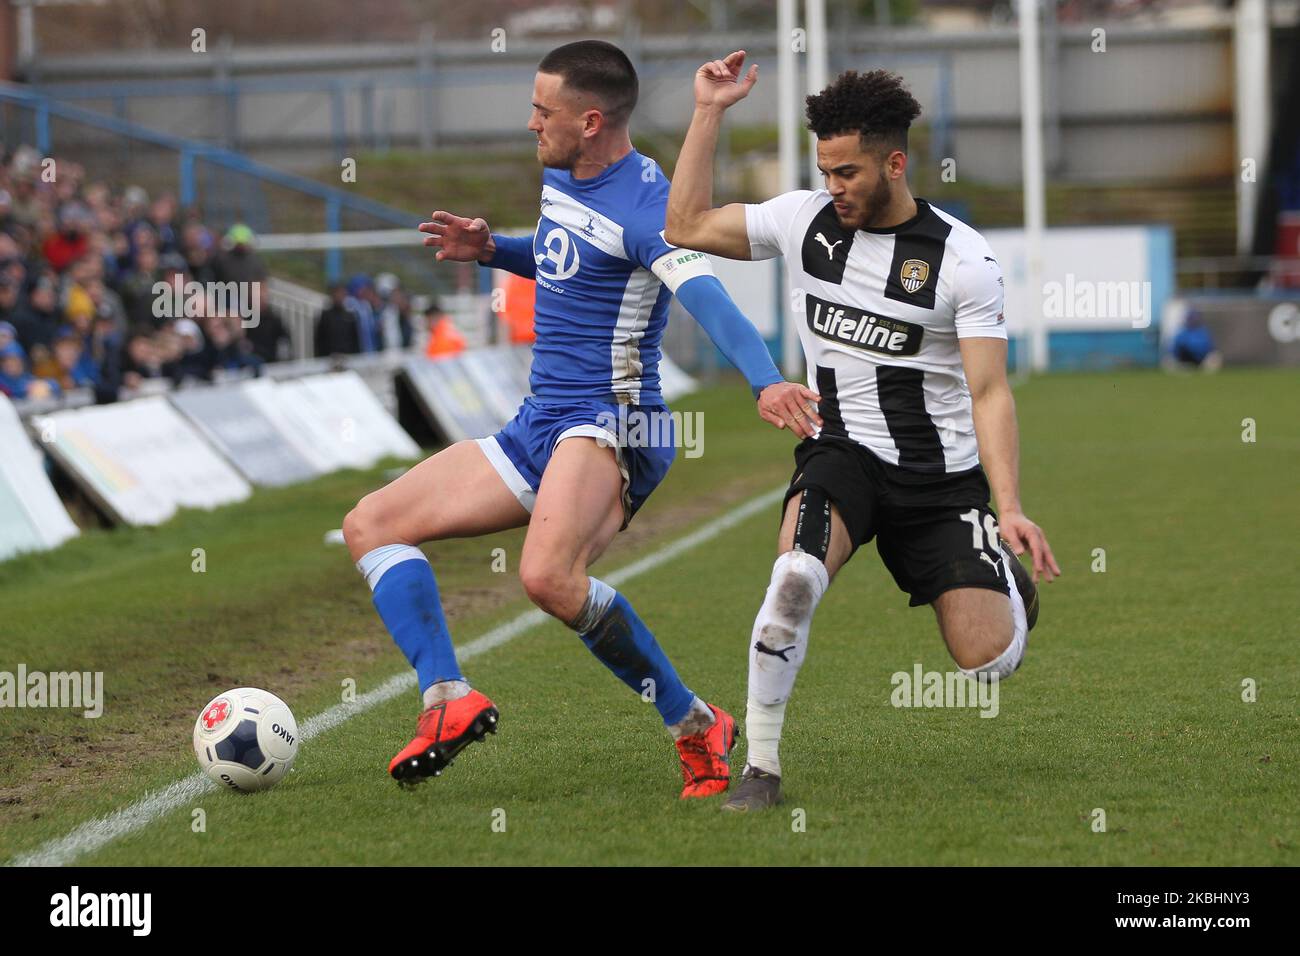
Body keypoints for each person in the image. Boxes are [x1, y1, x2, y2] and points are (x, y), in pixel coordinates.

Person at [342, 40, 817, 798]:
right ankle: (447, 699)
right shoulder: (566, 174)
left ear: (590, 121)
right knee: (370, 524)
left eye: (543, 112)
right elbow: (568, 257)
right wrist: (494, 249)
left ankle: (694, 726)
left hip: (616, 423)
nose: (531, 124)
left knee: (545, 577)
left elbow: (709, 298)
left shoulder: (646, 209)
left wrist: (764, 382)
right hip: (540, 422)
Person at [665, 56, 1061, 811]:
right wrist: (709, 111)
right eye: (826, 170)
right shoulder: (801, 218)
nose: (834, 186)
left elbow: (989, 391)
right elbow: (683, 225)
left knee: (989, 660)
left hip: (940, 481)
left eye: (848, 172)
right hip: (839, 453)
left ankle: (1001, 585)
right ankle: (763, 769)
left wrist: (1007, 506)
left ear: (895, 162)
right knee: (791, 582)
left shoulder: (961, 259)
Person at [314, 283, 361, 356]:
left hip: (348, 358)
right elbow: (319, 340)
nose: (339, 297)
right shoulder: (326, 316)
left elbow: (355, 340)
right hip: (329, 359)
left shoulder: (350, 316)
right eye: (337, 294)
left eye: (342, 294)